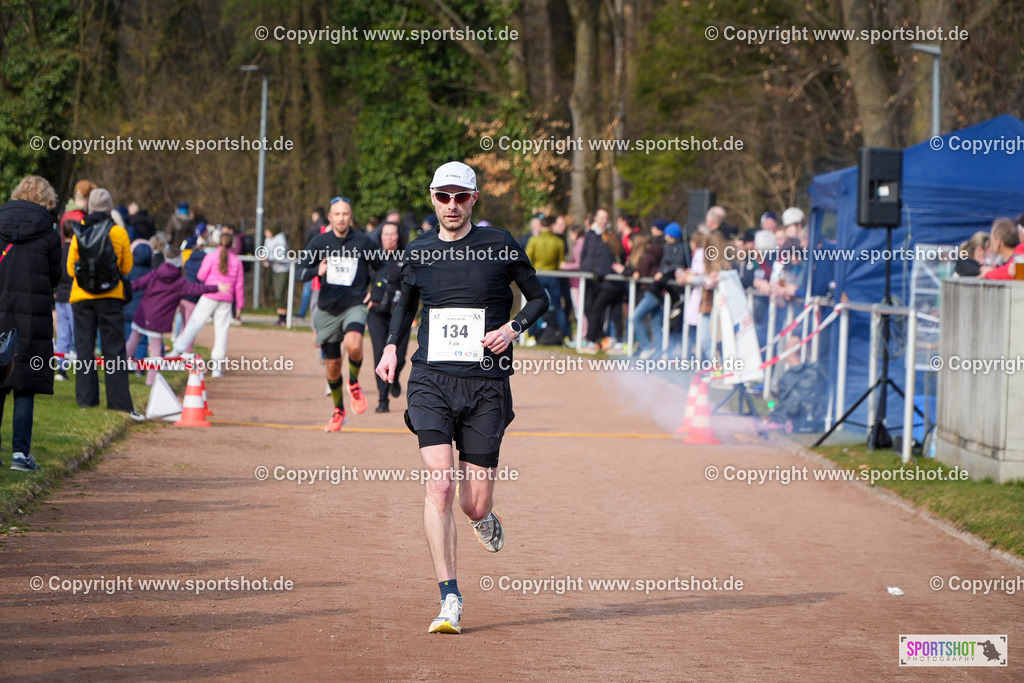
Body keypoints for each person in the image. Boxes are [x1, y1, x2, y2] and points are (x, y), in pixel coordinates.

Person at [376, 161, 547, 635]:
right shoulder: (419, 251)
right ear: (432, 199)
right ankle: (449, 597)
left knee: (472, 503)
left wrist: (513, 328)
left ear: (474, 200)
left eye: (460, 197)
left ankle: (484, 515)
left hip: (486, 384)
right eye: (443, 196)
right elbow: (404, 305)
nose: (451, 205)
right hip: (431, 378)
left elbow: (539, 299)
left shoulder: (500, 244)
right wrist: (391, 346)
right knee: (440, 485)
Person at [297, 197, 381, 430]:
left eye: (345, 213)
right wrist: (317, 269)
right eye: (337, 214)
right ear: (331, 217)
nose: (341, 218)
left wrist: (376, 291)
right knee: (332, 366)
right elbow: (300, 271)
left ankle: (353, 383)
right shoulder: (319, 241)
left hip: (354, 305)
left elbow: (381, 267)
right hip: (327, 310)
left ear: (350, 216)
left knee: (354, 345)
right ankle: (338, 411)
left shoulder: (364, 242)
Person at [0, 176, 63, 471]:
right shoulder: (49, 234)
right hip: (32, 313)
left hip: (1, 309)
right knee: (24, 384)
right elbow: (55, 276)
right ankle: (20, 454)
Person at [67, 188, 143, 420]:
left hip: (81, 297)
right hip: (111, 296)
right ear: (110, 208)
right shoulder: (119, 232)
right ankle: (119, 400)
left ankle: (86, 399)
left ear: (89, 207)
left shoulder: (79, 230)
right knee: (114, 350)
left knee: (84, 348)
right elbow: (127, 268)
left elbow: (71, 268)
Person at [128, 256, 227, 385]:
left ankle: (117, 370)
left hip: (143, 314)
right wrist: (217, 288)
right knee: (156, 348)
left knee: (132, 342)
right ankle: (151, 381)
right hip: (158, 320)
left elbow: (136, 284)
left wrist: (122, 289)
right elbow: (198, 288)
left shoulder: (154, 274)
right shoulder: (180, 283)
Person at [170, 231, 244, 378]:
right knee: (221, 333)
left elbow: (201, 276)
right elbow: (239, 286)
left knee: (194, 324)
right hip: (226, 300)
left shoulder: (210, 257)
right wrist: (240, 306)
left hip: (209, 295)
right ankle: (217, 369)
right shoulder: (237, 261)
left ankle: (177, 350)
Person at [366, 222, 408, 413]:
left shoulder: (406, 257)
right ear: (380, 236)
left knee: (399, 358)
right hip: (376, 313)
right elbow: (363, 278)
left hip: (400, 313)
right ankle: (383, 400)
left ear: (398, 236)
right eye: (385, 234)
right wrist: (364, 293)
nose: (389, 238)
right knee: (379, 355)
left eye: (393, 234)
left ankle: (395, 376)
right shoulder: (374, 257)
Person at [526, 215, 569, 341]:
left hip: (538, 275)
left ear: (541, 225)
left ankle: (531, 334)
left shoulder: (534, 240)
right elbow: (561, 261)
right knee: (558, 306)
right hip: (553, 276)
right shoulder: (558, 241)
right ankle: (563, 334)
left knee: (533, 305)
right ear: (551, 226)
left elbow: (528, 258)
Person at [629, 233, 664, 358]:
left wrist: (635, 272)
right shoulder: (655, 255)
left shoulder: (646, 256)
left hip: (651, 293)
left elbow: (641, 272)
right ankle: (659, 352)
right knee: (655, 324)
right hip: (655, 292)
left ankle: (647, 346)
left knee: (635, 318)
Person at [54, 221, 76, 381]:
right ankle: (85, 370)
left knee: (62, 334)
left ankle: (61, 368)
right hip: (72, 295)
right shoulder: (75, 253)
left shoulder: (59, 252)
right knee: (80, 334)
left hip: (60, 295)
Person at [261, 227, 289, 326]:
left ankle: (284, 318)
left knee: (279, 293)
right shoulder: (268, 240)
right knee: (276, 294)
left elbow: (280, 254)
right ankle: (280, 318)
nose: (265, 233)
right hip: (275, 269)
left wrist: (269, 258)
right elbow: (265, 251)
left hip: (283, 270)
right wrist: (264, 258)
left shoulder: (281, 238)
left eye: (267, 231)